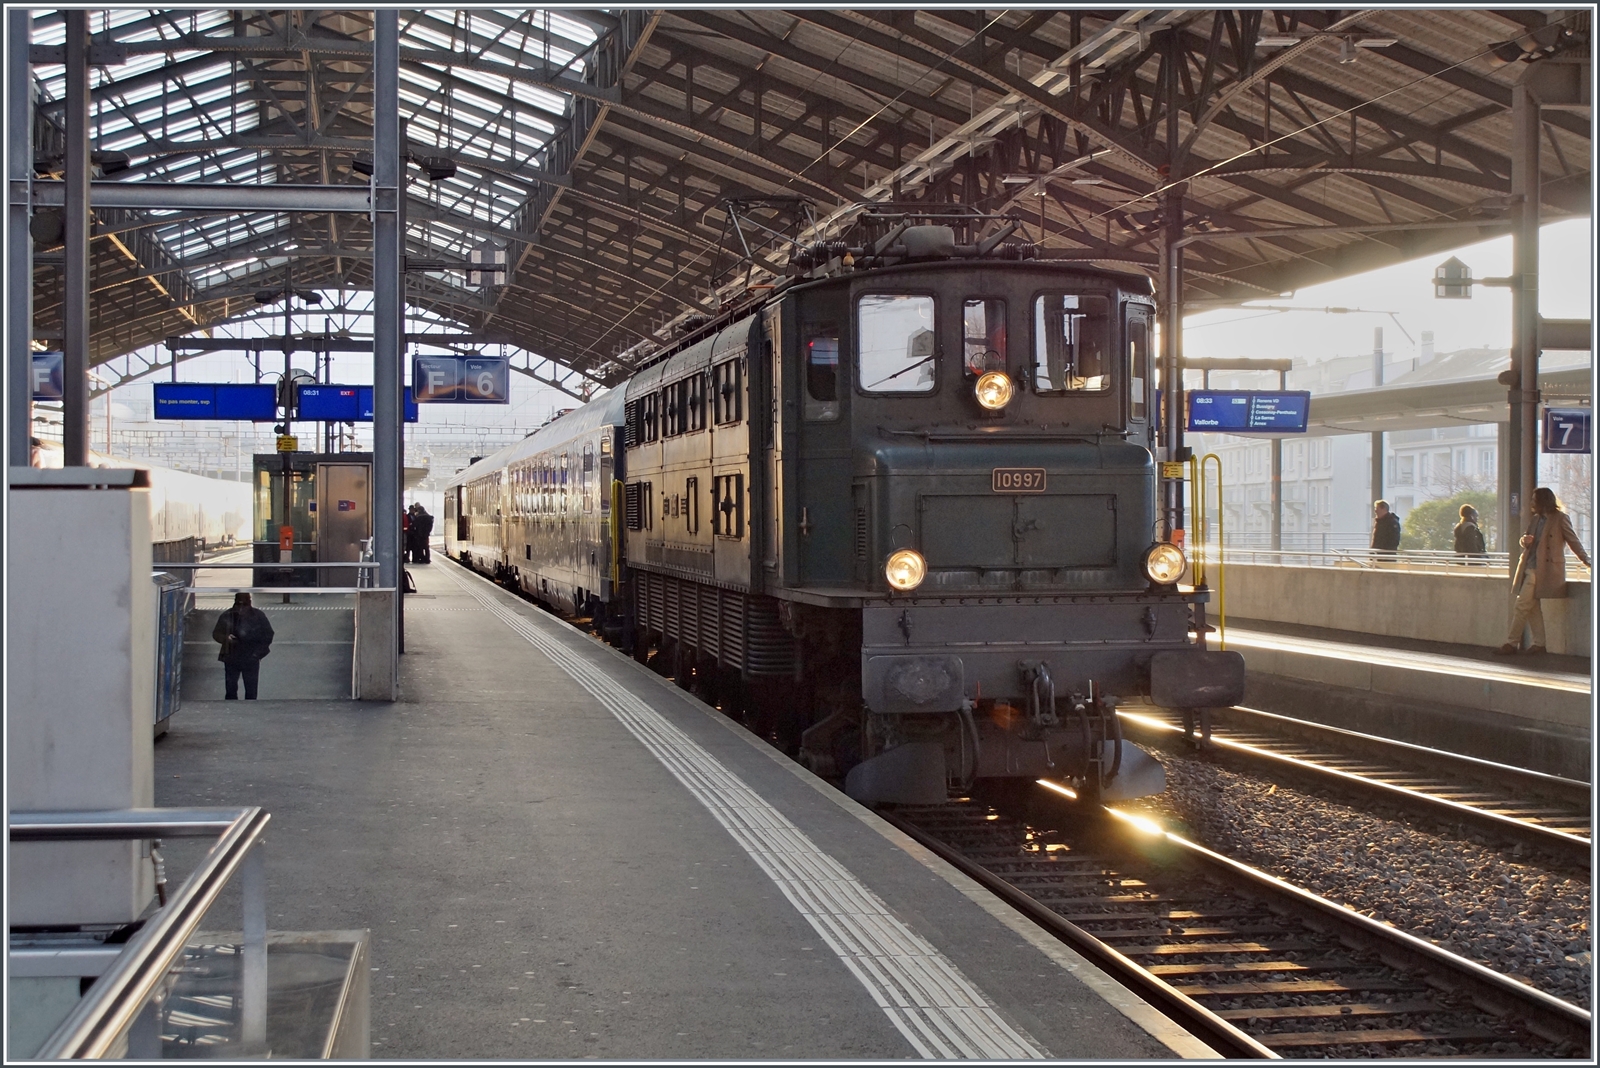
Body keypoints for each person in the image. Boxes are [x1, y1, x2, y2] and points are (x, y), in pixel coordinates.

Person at [1498, 487, 1591, 655]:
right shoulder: (1535, 519)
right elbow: (1525, 540)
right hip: (1529, 565)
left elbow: (1573, 540)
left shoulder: (1560, 519)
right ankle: (1539, 644)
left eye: (1535, 499)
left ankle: (1511, 643)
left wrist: (1586, 560)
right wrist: (1523, 541)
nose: (1532, 503)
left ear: (1543, 501)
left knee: (1521, 605)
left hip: (1542, 569)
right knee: (1532, 607)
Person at [212, 592, 275, 700]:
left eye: (243, 605)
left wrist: (226, 639)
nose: (241, 608)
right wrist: (258, 653)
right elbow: (268, 634)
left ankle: (233, 707)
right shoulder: (257, 615)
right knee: (244, 688)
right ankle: (246, 707)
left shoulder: (228, 615)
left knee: (240, 688)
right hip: (245, 655)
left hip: (237, 655)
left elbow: (268, 634)